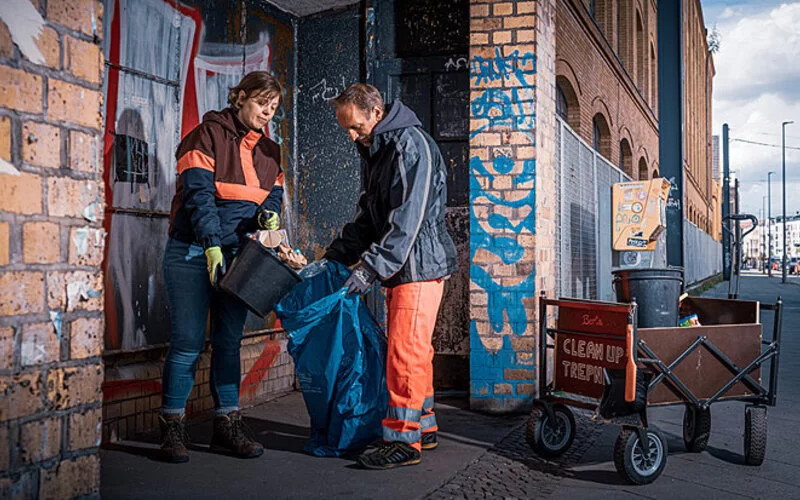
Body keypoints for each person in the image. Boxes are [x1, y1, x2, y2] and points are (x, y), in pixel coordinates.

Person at [324, 84, 458, 469]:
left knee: (405, 353)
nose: (351, 136)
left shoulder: (408, 145)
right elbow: (370, 215)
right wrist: (338, 255)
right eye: (345, 129)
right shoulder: (378, 149)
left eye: (354, 127)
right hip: (405, 266)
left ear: (375, 113)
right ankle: (423, 427)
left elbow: (406, 222)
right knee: (415, 351)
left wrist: (369, 269)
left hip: (417, 266)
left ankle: (402, 441)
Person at [159, 71, 284, 463]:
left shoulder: (271, 153)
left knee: (229, 343)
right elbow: (198, 196)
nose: (268, 112)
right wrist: (211, 246)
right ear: (240, 97)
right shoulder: (206, 135)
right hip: (192, 253)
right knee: (188, 343)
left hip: (238, 259)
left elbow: (273, 199)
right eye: (262, 103)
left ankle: (226, 425)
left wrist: (270, 220)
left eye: (274, 107)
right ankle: (172, 428)